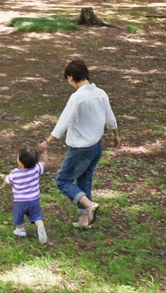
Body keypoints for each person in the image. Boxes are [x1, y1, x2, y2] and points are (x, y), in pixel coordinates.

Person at [38, 59, 120, 228]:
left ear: (70, 77)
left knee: (63, 181)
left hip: (81, 149)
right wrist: (116, 135)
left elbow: (64, 122)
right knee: (84, 179)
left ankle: (90, 205)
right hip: (96, 147)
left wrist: (48, 140)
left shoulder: (77, 97)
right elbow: (110, 118)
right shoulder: (101, 93)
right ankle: (84, 219)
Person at [4, 145, 48, 244]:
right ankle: (41, 228)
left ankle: (20, 229)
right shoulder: (37, 169)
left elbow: (6, 181)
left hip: (20, 201)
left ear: (20, 161)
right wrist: (44, 151)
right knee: (37, 216)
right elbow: (45, 162)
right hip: (34, 200)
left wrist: (2, 186)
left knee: (18, 216)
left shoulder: (15, 173)